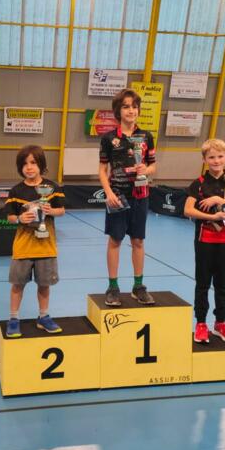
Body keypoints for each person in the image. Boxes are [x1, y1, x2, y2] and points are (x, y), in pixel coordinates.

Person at [99, 88, 156, 307]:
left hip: (141, 196)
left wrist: (145, 170)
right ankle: (113, 287)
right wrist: (109, 193)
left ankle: (138, 286)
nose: (131, 110)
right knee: (115, 240)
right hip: (118, 196)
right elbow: (102, 170)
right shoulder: (109, 138)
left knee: (138, 241)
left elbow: (153, 165)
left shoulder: (146, 136)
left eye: (134, 106)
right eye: (126, 106)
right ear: (118, 111)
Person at [184, 138, 225, 344]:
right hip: (205, 239)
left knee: (222, 283)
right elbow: (188, 210)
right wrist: (212, 217)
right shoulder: (198, 184)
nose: (216, 161)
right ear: (204, 160)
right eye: (211, 157)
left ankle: (220, 323)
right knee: (202, 283)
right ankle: (201, 323)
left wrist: (219, 201)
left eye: (220, 156)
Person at [4, 145, 66, 338]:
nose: (29, 167)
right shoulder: (16, 191)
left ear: (41, 165)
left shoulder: (52, 188)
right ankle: (14, 319)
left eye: (33, 163)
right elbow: (10, 217)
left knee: (44, 285)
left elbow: (61, 210)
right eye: (24, 164)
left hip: (46, 247)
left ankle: (43, 316)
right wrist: (20, 219)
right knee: (17, 285)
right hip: (23, 247)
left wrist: (50, 211)